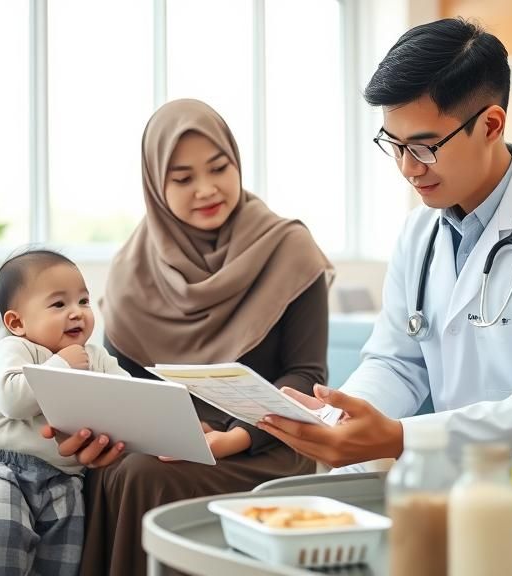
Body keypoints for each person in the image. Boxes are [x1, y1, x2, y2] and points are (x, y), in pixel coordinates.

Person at [257, 18, 512, 492]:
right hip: (465, 487)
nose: (406, 167)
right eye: (393, 145)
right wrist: (341, 415)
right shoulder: (418, 232)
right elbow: (398, 362)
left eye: (423, 147)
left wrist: (401, 438)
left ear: (491, 125)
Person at [41, 98, 335, 575]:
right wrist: (95, 435)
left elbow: (306, 376)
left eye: (219, 168)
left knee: (144, 475)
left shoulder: (289, 249)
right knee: (111, 468)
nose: (206, 189)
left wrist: (232, 439)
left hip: (265, 446)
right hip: (160, 444)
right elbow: (119, 382)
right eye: (182, 179)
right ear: (156, 186)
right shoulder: (133, 267)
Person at [0, 249, 129, 574]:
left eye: (83, 302)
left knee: (59, 560)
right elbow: (12, 399)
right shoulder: (15, 349)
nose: (77, 313)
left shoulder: (97, 357)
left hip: (64, 478)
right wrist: (62, 366)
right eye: (59, 304)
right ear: (17, 322)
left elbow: (131, 398)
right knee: (1, 536)